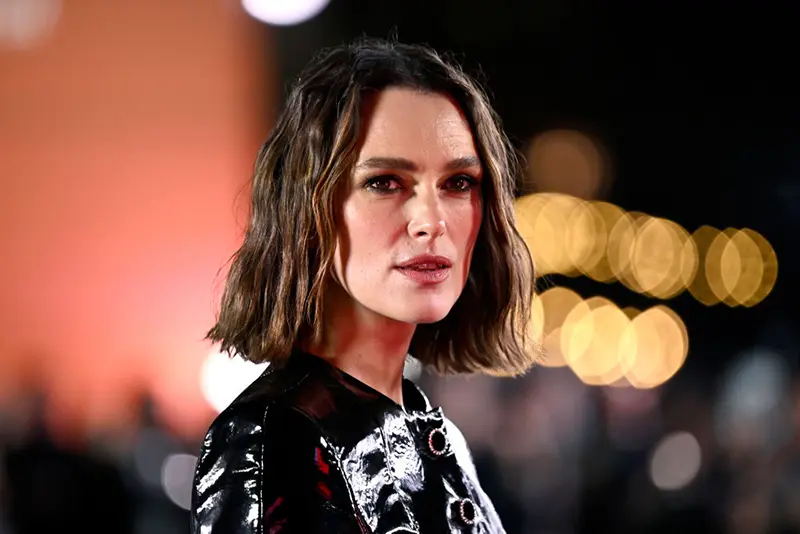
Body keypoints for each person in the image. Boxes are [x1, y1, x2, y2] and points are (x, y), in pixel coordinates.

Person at [191, 36, 537, 533]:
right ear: (309, 206)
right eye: (386, 182)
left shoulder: (442, 437)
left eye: (458, 183)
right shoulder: (272, 437)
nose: (431, 221)